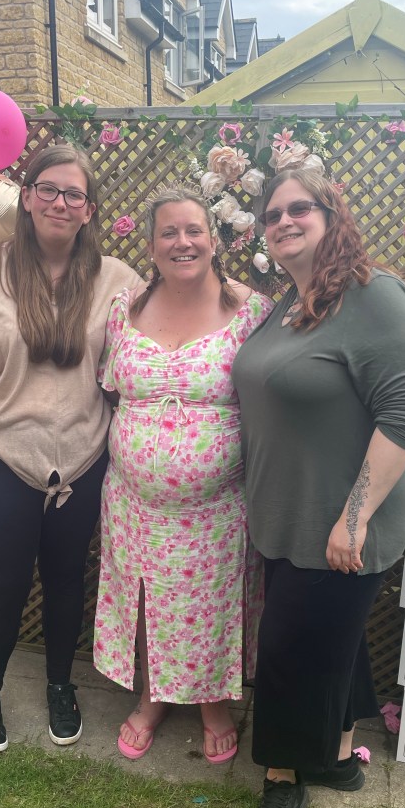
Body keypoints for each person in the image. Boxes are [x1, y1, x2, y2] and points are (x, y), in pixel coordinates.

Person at [232, 169, 405, 808]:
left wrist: (354, 517)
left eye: (300, 208)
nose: (283, 221)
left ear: (331, 214)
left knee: (289, 649)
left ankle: (283, 779)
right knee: (327, 636)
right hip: (287, 514)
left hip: (342, 520)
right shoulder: (289, 302)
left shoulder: (373, 296)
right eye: (272, 214)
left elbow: (404, 414)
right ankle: (339, 759)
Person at [0, 144, 141, 754]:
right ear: (26, 197)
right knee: (5, 583)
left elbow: (159, 337)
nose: (60, 202)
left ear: (89, 210)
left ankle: (60, 686)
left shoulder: (117, 280)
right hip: (0, 455)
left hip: (83, 459)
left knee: (69, 580)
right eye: (48, 189)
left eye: (74, 194)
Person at [92, 187, 273, 763]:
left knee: (211, 602)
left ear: (214, 240)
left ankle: (214, 703)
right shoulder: (124, 310)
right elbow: (108, 390)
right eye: (168, 232)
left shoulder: (253, 312)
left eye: (194, 230)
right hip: (133, 503)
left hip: (215, 507)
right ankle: (152, 696)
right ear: (151, 246)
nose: (182, 242)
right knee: (144, 599)